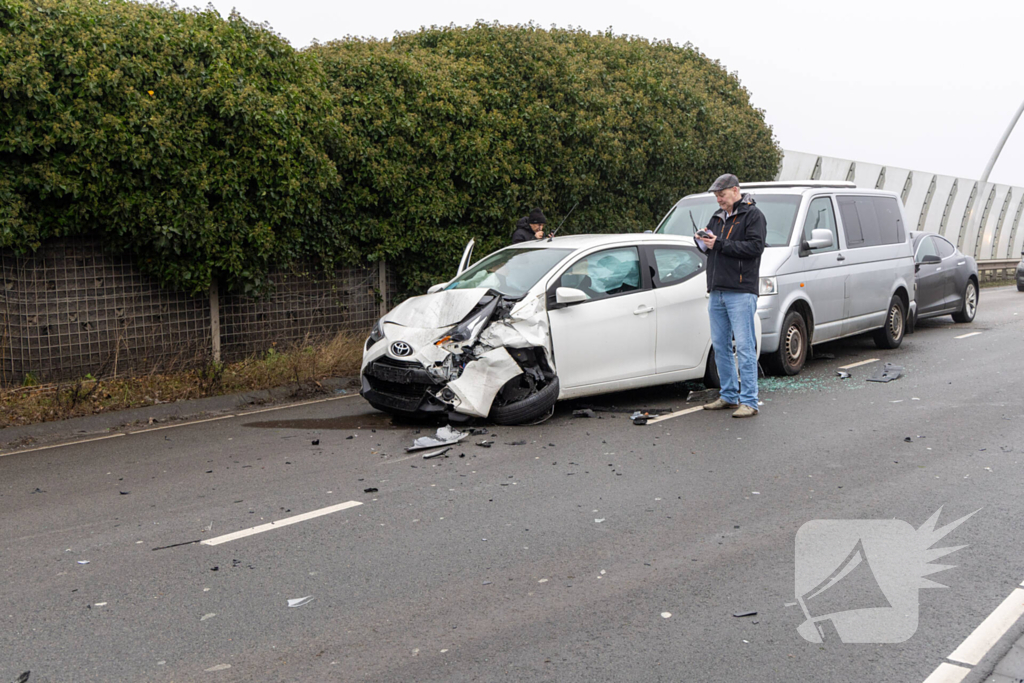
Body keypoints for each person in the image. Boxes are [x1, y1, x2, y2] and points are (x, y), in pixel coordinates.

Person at [695, 173, 766, 418]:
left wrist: (719, 243)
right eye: (716, 196)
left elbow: (755, 248)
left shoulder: (753, 215)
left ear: (735, 191)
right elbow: (714, 249)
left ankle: (749, 401)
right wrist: (702, 242)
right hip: (717, 290)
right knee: (720, 346)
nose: (719, 200)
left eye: (722, 195)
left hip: (741, 291)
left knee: (745, 347)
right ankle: (728, 396)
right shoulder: (717, 218)